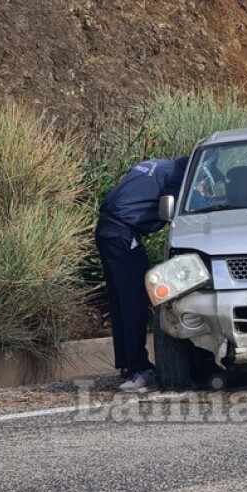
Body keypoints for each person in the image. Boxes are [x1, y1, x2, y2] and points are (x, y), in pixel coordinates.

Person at [96, 157, 188, 393]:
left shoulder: (155, 164)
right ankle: (140, 369)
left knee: (120, 302)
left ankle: (127, 366)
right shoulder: (179, 174)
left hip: (106, 229)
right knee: (134, 302)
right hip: (124, 233)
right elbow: (176, 212)